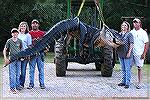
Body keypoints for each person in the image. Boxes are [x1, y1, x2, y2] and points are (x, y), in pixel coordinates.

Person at [130, 18, 149, 89]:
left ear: (140, 23)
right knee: (129, 67)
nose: (135, 23)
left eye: (136, 22)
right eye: (134, 22)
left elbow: (146, 43)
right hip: (132, 53)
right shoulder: (131, 32)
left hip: (139, 53)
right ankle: (128, 81)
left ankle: (139, 83)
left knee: (139, 68)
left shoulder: (143, 32)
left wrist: (144, 54)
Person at [27, 19, 46, 89]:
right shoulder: (28, 33)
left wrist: (46, 49)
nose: (34, 25)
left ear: (38, 25)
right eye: (33, 23)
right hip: (32, 55)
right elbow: (27, 44)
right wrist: (33, 41)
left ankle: (42, 84)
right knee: (31, 70)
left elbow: (46, 43)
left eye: (36, 23)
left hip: (41, 54)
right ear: (31, 25)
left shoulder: (42, 33)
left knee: (41, 70)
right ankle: (31, 84)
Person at [3, 28, 22, 94]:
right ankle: (12, 88)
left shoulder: (20, 41)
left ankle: (17, 86)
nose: (15, 34)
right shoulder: (9, 41)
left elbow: (21, 50)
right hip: (11, 60)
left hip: (19, 60)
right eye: (13, 33)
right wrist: (5, 58)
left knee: (18, 74)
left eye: (16, 32)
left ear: (18, 33)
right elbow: (5, 50)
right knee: (12, 75)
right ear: (11, 34)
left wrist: (22, 57)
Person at [117, 21, 134, 89]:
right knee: (123, 69)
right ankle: (123, 81)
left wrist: (129, 52)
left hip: (127, 54)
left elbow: (131, 44)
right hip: (121, 54)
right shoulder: (119, 34)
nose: (123, 26)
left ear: (127, 27)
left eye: (125, 25)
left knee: (127, 69)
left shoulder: (129, 34)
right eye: (122, 25)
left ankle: (127, 83)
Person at [18, 22, 32, 88]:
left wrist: (28, 55)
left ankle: (21, 84)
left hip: (25, 55)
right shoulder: (17, 34)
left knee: (23, 71)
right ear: (19, 27)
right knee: (17, 71)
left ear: (26, 27)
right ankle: (17, 83)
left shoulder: (28, 35)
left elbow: (29, 46)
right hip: (17, 55)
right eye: (21, 26)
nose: (22, 27)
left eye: (24, 26)